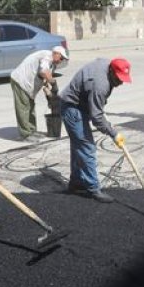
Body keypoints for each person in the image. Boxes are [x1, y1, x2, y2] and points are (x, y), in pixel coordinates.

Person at [58, 58, 131, 203]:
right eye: (118, 79)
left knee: (78, 146)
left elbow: (95, 109)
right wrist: (113, 134)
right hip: (72, 107)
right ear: (111, 71)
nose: (121, 83)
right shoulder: (100, 85)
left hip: (81, 104)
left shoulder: (106, 68)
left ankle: (76, 181)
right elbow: (97, 117)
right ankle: (93, 189)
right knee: (86, 147)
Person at [10, 45, 69, 141]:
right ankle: (25, 135)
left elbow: (46, 80)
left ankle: (32, 131)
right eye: (61, 58)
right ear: (56, 54)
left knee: (31, 107)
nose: (61, 61)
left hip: (30, 85)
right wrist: (53, 82)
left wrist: (50, 95)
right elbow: (43, 72)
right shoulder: (47, 56)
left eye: (63, 59)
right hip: (21, 81)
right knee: (23, 107)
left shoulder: (52, 64)